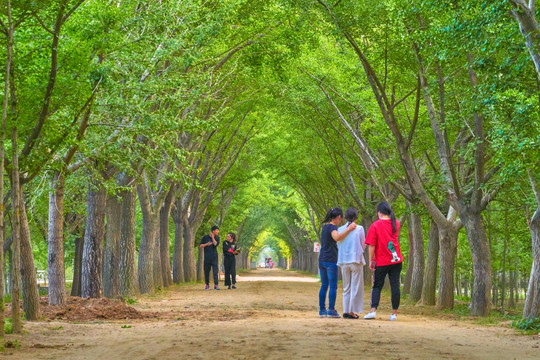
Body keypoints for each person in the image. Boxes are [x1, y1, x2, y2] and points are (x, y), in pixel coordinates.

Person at [363, 202, 403, 321]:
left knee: (377, 286)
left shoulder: (375, 225)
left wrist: (371, 260)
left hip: (381, 260)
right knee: (395, 285)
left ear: (379, 212)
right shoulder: (396, 223)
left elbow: (371, 245)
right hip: (396, 260)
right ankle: (394, 313)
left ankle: (373, 311)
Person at [318, 207, 357, 318]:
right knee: (333, 286)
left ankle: (322, 310)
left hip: (322, 260)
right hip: (330, 260)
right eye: (341, 218)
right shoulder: (332, 228)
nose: (342, 220)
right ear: (339, 217)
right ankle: (331, 310)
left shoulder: (325, 227)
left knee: (324, 285)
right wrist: (349, 229)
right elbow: (337, 238)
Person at [337, 207, 366, 319]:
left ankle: (346, 310)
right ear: (356, 217)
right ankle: (352, 312)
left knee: (346, 287)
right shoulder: (359, 228)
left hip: (343, 260)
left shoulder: (340, 230)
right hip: (355, 260)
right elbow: (363, 244)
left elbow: (339, 243)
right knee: (355, 287)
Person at [200, 225, 221, 290]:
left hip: (214, 257)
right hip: (207, 257)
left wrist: (212, 238)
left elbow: (215, 244)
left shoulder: (217, 237)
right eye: (217, 230)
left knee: (215, 271)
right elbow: (200, 246)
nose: (218, 231)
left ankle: (216, 285)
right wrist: (206, 244)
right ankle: (207, 285)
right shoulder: (205, 237)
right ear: (213, 231)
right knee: (206, 271)